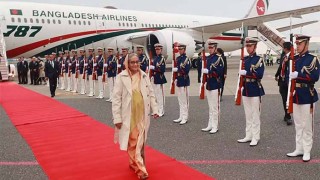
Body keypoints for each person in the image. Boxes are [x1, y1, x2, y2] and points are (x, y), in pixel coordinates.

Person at [112, 53, 159, 180]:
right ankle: (141, 170)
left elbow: (151, 93)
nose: (135, 65)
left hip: (143, 114)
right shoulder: (121, 77)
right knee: (133, 142)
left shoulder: (144, 75)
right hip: (129, 115)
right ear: (127, 63)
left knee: (139, 142)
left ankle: (134, 163)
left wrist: (155, 109)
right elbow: (116, 99)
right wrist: (117, 118)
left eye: (137, 62)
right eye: (132, 62)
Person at [286, 34, 319, 162]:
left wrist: (298, 74)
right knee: (298, 124)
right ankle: (299, 148)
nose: (297, 46)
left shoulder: (313, 59)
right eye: (296, 44)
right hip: (296, 95)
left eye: (299, 44)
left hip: (307, 94)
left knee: (307, 125)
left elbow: (315, 77)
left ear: (306, 44)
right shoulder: (294, 59)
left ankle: (307, 150)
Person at [237, 37, 265, 146]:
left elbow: (259, 74)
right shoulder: (245, 59)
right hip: (246, 89)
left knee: (255, 114)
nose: (248, 48)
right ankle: (248, 135)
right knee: (248, 114)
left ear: (255, 46)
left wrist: (246, 73)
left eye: (250, 46)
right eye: (247, 46)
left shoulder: (259, 59)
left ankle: (255, 136)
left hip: (255, 89)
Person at [201, 41, 224, 134]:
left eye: (211, 48)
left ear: (215, 48)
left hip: (215, 84)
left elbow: (219, 72)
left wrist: (209, 72)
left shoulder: (219, 58)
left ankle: (215, 125)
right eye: (209, 47)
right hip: (209, 84)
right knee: (210, 106)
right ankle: (210, 124)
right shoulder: (208, 58)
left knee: (215, 107)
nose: (209, 49)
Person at [172, 43, 191, 125]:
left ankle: (185, 117)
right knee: (180, 100)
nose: (179, 51)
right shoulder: (178, 58)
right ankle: (181, 116)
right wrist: (175, 77)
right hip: (179, 80)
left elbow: (186, 70)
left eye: (181, 49)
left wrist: (178, 70)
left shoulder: (187, 59)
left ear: (184, 50)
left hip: (184, 80)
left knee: (185, 100)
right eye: (179, 49)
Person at [275, 42, 292, 125]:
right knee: (284, 99)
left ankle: (288, 116)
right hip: (282, 81)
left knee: (288, 99)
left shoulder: (293, 57)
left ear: (285, 48)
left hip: (288, 81)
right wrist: (276, 75)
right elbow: (280, 66)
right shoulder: (283, 56)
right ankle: (287, 114)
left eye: (283, 47)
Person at [150, 43, 167, 117]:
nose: (157, 51)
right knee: (156, 95)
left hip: (160, 78)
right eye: (156, 49)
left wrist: (154, 68)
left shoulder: (162, 59)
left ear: (161, 50)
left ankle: (161, 111)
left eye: (158, 49)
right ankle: (156, 110)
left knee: (160, 96)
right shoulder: (155, 58)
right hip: (155, 78)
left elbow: (162, 69)